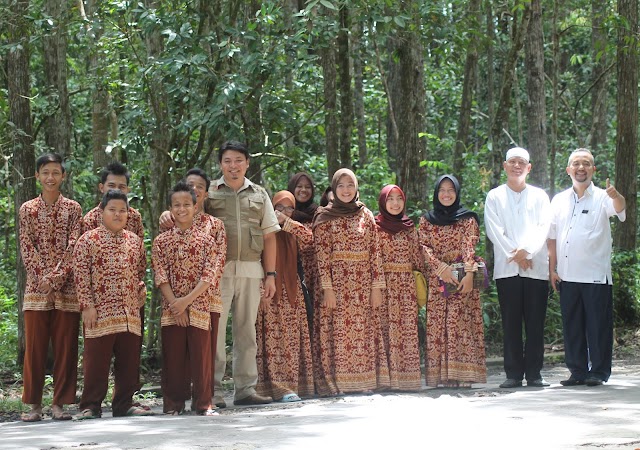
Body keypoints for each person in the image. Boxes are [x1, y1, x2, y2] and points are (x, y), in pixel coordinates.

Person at [206, 141, 280, 407]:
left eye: (238, 160)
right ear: (220, 164)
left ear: (247, 163)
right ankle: (211, 390)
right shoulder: (210, 193)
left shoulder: (259, 194)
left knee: (246, 330)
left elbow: (270, 236)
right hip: (217, 272)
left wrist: (270, 275)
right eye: (227, 160)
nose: (233, 166)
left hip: (251, 270)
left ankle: (245, 389)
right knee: (214, 331)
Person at [548, 148, 625, 387]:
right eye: (576, 164)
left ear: (593, 170)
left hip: (595, 275)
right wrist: (552, 269)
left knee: (597, 325)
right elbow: (552, 237)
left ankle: (599, 371)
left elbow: (621, 209)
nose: (581, 168)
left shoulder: (604, 197)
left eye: (586, 164)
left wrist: (616, 195)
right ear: (569, 170)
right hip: (568, 275)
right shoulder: (559, 199)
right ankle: (577, 370)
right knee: (572, 324)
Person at [74, 190, 151, 419]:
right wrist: (87, 305)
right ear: (102, 212)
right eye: (112, 210)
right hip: (100, 312)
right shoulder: (88, 240)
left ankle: (123, 404)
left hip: (129, 313)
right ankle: (90, 406)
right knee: (96, 362)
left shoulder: (135, 241)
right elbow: (80, 274)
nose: (118, 215)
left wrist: (140, 290)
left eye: (122, 210)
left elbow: (140, 271)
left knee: (129, 361)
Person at [312, 168, 389, 395]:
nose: (346, 190)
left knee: (363, 333)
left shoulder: (365, 214)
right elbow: (322, 255)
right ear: (334, 189)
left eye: (350, 185)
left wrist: (377, 288)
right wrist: (328, 289)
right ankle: (340, 383)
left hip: (363, 285)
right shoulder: (324, 216)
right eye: (341, 186)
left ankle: (364, 381)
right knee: (338, 333)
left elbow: (375, 252)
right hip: (337, 285)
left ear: (356, 188)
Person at [18, 153, 83, 422]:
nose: (50, 177)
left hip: (66, 290)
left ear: (63, 176)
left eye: (56, 172)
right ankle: (33, 404)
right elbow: (26, 245)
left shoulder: (74, 209)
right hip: (36, 290)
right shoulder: (27, 209)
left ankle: (60, 404)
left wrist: (56, 278)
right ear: (37, 176)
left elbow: (74, 245)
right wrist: (42, 278)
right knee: (34, 349)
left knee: (66, 347)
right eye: (45, 172)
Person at [153, 181, 223, 415]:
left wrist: (186, 302)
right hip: (171, 309)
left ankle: (203, 403)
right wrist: (177, 305)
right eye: (176, 205)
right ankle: (173, 404)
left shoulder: (207, 241)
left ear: (195, 206)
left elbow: (209, 275)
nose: (181, 209)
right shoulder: (161, 241)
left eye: (186, 204)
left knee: (201, 358)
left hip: (200, 306)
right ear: (170, 209)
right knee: (173, 357)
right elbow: (160, 276)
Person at [485, 147, 551, 388]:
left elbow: (544, 227)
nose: (516, 166)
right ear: (504, 166)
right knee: (511, 322)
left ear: (529, 167)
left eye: (521, 162)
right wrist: (518, 255)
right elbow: (494, 231)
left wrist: (528, 252)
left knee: (535, 323)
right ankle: (513, 374)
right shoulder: (494, 196)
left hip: (536, 269)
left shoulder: (540, 196)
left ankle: (534, 374)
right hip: (508, 269)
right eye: (512, 162)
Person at [420, 175, 486, 388]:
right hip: (438, 278)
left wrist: (468, 274)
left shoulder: (467, 218)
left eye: (451, 190)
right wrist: (441, 268)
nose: (446, 194)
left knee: (460, 324)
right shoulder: (427, 220)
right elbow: (423, 246)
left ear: (457, 193)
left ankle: (463, 375)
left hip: (462, 278)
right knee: (439, 326)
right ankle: (443, 377)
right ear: (436, 193)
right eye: (442, 190)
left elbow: (469, 245)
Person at [255, 190, 314, 402]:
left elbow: (310, 241)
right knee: (272, 339)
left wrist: (288, 222)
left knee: (292, 339)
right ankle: (273, 388)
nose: (283, 211)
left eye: (289, 208)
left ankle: (295, 386)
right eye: (279, 207)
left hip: (292, 289)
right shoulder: (263, 226)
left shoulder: (295, 228)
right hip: (268, 287)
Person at [375, 185, 423, 391]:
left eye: (399, 199)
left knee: (406, 331)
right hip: (383, 286)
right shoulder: (374, 227)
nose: (395, 203)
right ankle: (385, 380)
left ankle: (406, 380)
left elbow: (418, 260)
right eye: (390, 199)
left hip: (406, 288)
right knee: (384, 331)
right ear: (383, 202)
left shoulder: (410, 228)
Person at [287, 172, 318, 333]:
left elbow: (314, 242)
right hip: (291, 273)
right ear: (292, 188)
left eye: (307, 187)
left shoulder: (319, 214)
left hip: (314, 272)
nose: (303, 190)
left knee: (315, 317)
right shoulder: (283, 212)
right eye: (299, 186)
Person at [82, 161, 144, 239]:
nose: (116, 190)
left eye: (121, 187)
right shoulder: (91, 219)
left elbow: (139, 248)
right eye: (111, 186)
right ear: (101, 188)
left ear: (128, 190)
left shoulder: (134, 217)